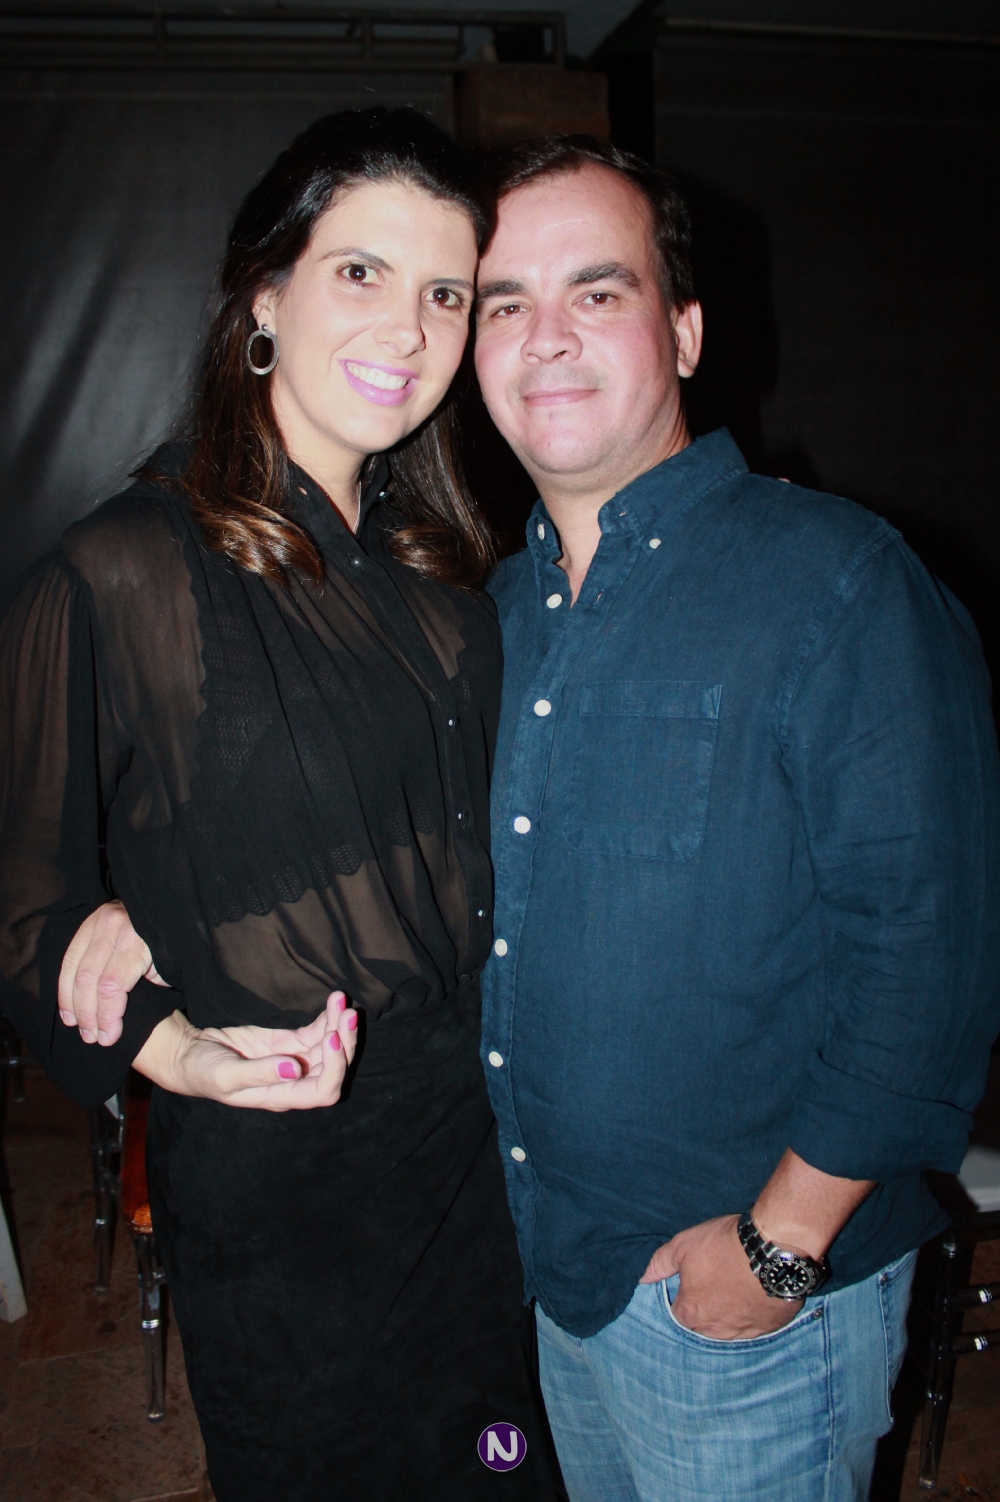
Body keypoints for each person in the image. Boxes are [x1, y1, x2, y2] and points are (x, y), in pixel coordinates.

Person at [0, 109, 563, 1502]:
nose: (409, 330)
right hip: (287, 1178)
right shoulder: (124, 567)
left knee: (499, 1466)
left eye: (447, 293)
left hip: (483, 1145)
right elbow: (20, 897)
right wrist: (175, 1051)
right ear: (264, 295)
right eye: (360, 272)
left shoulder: (451, 575)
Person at [469, 137, 1000, 1500]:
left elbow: (929, 956)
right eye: (504, 301)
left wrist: (776, 1249)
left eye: (598, 291)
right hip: (559, 1281)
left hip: (747, 1319)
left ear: (687, 331)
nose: (545, 336)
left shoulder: (840, 583)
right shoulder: (493, 619)